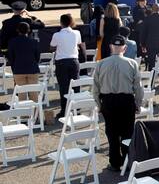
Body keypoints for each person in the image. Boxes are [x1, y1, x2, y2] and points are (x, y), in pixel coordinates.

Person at [92, 36, 143, 171]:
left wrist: (99, 105)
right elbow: (138, 87)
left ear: (110, 47)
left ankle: (115, 162)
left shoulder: (101, 63)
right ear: (125, 48)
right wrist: (138, 104)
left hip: (108, 101)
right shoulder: (132, 63)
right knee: (127, 132)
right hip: (126, 100)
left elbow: (95, 88)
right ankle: (127, 160)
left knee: (112, 132)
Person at [50, 14, 85, 118]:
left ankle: (64, 110)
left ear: (61, 23)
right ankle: (76, 109)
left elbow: (51, 48)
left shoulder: (57, 35)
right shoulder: (77, 33)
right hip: (74, 61)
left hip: (61, 62)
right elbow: (79, 44)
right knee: (75, 86)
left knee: (63, 87)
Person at [6, 23, 40, 100]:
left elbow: (11, 57)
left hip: (18, 70)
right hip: (32, 69)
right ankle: (35, 111)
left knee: (21, 95)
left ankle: (23, 112)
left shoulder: (12, 41)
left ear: (17, 30)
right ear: (28, 30)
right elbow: (37, 57)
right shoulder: (34, 41)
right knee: (34, 93)